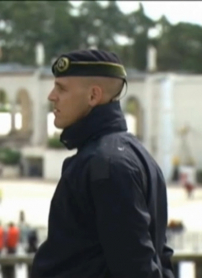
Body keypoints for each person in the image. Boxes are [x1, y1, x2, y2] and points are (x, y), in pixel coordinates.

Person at [31, 50, 174, 278]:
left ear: (93, 96)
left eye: (62, 88)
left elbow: (136, 267)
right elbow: (158, 253)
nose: (51, 96)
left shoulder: (105, 165)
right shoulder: (133, 154)